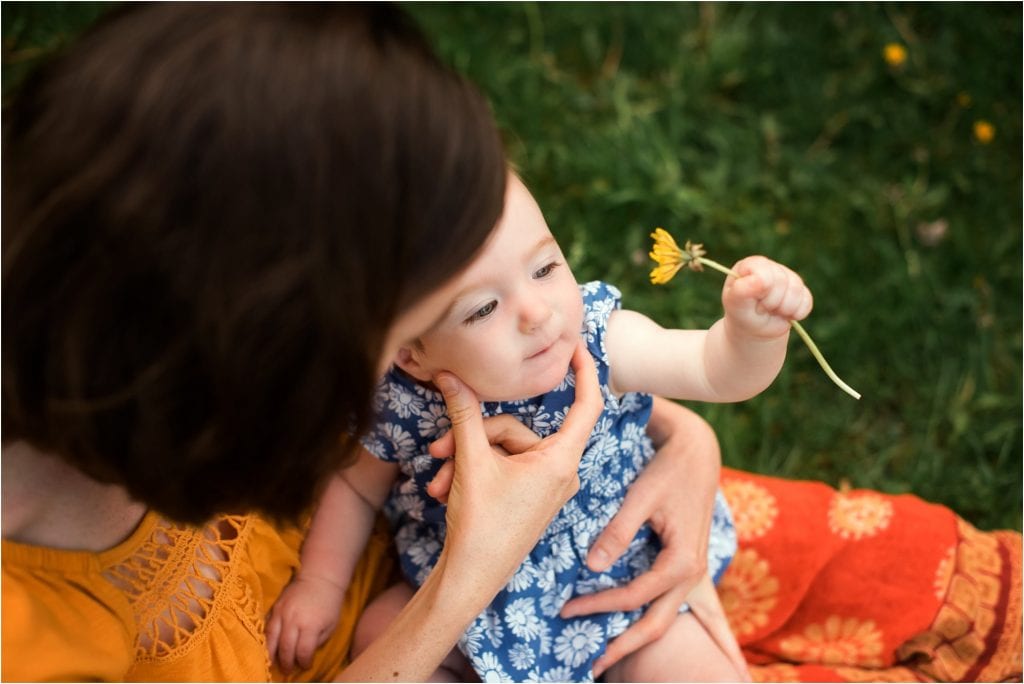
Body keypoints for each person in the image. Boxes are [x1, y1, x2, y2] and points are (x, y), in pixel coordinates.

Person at [1, 4, 727, 681]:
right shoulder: (29, 635)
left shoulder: (176, 396)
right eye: (401, 329)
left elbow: (580, 378)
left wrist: (686, 441)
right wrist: (465, 579)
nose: (403, 369)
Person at [268, 170, 814, 681]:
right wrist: (322, 583)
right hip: (471, 594)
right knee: (377, 632)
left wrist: (753, 337)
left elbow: (713, 372)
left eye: (546, 268)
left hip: (615, 578)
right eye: (483, 309)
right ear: (412, 353)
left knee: (689, 666)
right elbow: (354, 489)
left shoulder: (602, 341)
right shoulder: (402, 400)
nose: (536, 312)